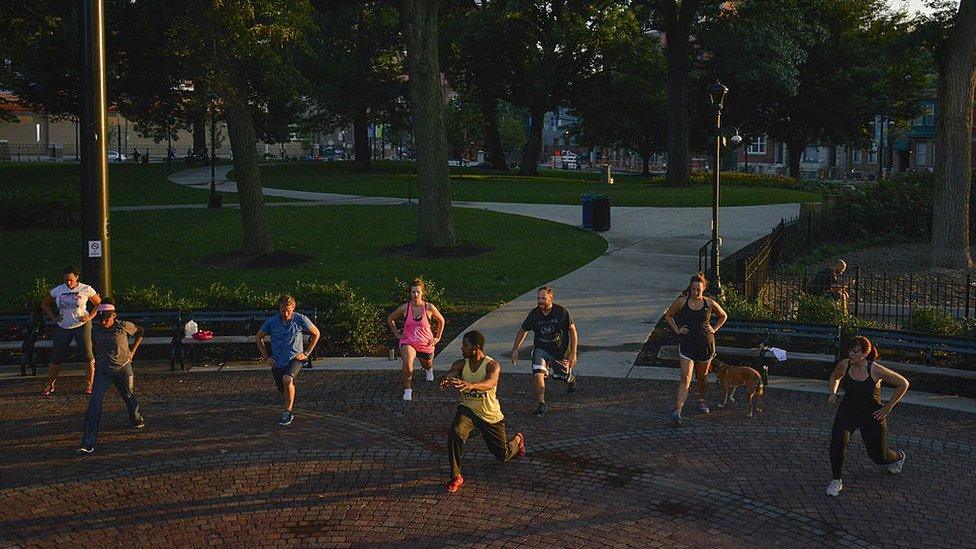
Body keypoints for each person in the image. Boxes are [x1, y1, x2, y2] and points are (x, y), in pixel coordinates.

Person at [441, 330, 525, 493]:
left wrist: (472, 385)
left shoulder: (491, 365)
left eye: (465, 345)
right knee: (455, 433)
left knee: (502, 455)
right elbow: (452, 373)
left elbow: (490, 382)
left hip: (489, 416)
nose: (462, 348)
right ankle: (456, 476)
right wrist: (446, 380)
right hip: (468, 410)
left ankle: (517, 440)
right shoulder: (460, 364)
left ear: (476, 347)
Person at [825, 336, 909, 497]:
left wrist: (888, 406)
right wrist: (832, 393)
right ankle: (836, 480)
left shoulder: (875, 369)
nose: (851, 354)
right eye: (850, 350)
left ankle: (899, 456)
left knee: (879, 457)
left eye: (855, 352)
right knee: (837, 442)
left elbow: (903, 383)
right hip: (848, 411)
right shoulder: (844, 364)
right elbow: (835, 377)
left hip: (872, 416)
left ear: (865, 353)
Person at [77, 299, 145, 454]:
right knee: (94, 404)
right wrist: (97, 358)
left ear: (114, 315)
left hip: (123, 370)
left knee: (129, 397)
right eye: (100, 319)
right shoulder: (96, 330)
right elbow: (95, 345)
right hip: (103, 372)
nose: (103, 322)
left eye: (106, 319)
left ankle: (136, 417)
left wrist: (132, 351)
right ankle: (88, 443)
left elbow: (141, 331)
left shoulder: (123, 326)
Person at [664, 273, 728, 426]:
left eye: (698, 289)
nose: (695, 292)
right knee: (685, 378)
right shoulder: (682, 302)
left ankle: (701, 398)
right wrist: (677, 329)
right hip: (687, 345)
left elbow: (723, 315)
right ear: (690, 288)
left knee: (702, 378)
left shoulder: (709, 303)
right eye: (693, 289)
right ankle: (678, 411)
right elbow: (669, 315)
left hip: (705, 345)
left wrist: (714, 328)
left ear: (703, 288)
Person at [510, 286, 578, 417]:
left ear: (551, 298)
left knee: (561, 377)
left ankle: (570, 379)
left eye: (543, 298)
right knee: (538, 374)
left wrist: (573, 353)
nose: (540, 301)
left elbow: (573, 331)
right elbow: (523, 330)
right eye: (538, 298)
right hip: (541, 349)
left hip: (559, 351)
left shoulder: (561, 312)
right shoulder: (534, 314)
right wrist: (515, 349)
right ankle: (541, 403)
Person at [256, 295, 320, 426]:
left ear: (293, 309)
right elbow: (258, 337)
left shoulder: (300, 319)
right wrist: (266, 357)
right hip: (278, 361)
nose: (286, 314)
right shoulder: (272, 322)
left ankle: (288, 411)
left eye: (288, 311)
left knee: (287, 379)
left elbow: (316, 334)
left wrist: (306, 353)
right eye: (283, 310)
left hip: (295, 359)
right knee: (283, 387)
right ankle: (288, 396)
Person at [41, 267, 101, 395]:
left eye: (71, 280)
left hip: (81, 325)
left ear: (76, 278)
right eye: (66, 280)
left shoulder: (86, 289)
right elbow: (45, 304)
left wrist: (89, 316)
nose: (68, 283)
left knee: (87, 355)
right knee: (57, 356)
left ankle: (90, 384)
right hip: (63, 325)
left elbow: (99, 303)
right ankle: (50, 383)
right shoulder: (58, 290)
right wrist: (54, 317)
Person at [386, 278, 446, 401]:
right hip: (408, 341)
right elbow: (390, 319)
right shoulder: (405, 308)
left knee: (427, 364)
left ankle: (429, 370)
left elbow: (441, 320)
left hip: (425, 343)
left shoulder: (429, 307)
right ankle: (408, 388)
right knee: (408, 362)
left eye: (418, 292)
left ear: (422, 293)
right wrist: (397, 334)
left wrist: (437, 337)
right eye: (413, 292)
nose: (415, 295)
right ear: (410, 293)